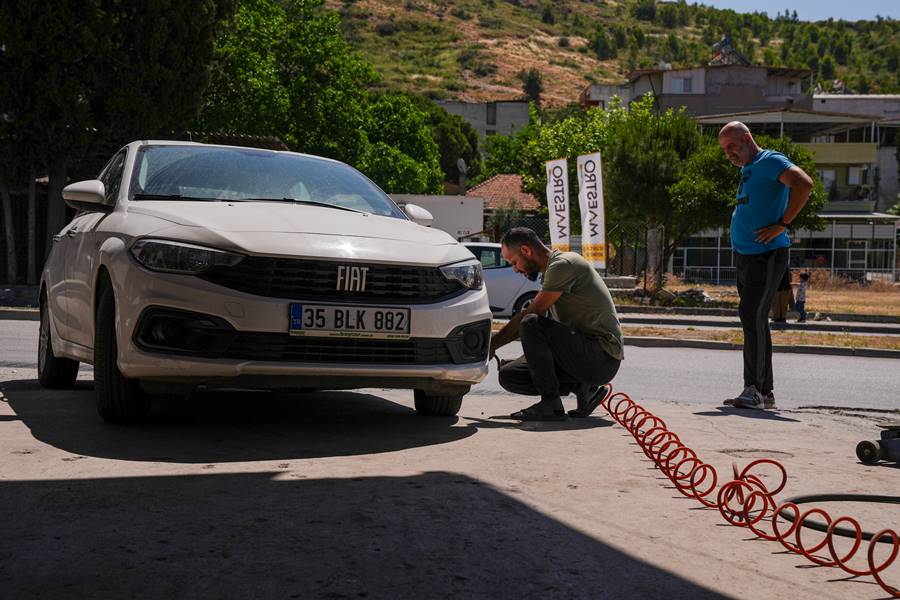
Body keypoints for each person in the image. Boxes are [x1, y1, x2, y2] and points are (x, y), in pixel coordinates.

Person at [718, 121, 812, 410]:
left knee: (750, 314)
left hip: (767, 254)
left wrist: (782, 224)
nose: (729, 153)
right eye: (725, 150)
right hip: (746, 256)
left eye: (732, 146)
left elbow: (804, 184)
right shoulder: (748, 169)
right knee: (755, 319)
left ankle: (754, 389)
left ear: (747, 138)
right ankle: (764, 392)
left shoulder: (770, 160)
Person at [489, 227, 623, 421]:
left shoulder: (564, 264)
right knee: (510, 374)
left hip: (601, 357)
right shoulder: (551, 272)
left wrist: (492, 344)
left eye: (514, 262)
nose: (515, 269)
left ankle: (551, 404)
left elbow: (532, 316)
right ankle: (583, 388)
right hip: (583, 354)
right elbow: (549, 337)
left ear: (526, 251)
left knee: (530, 322)